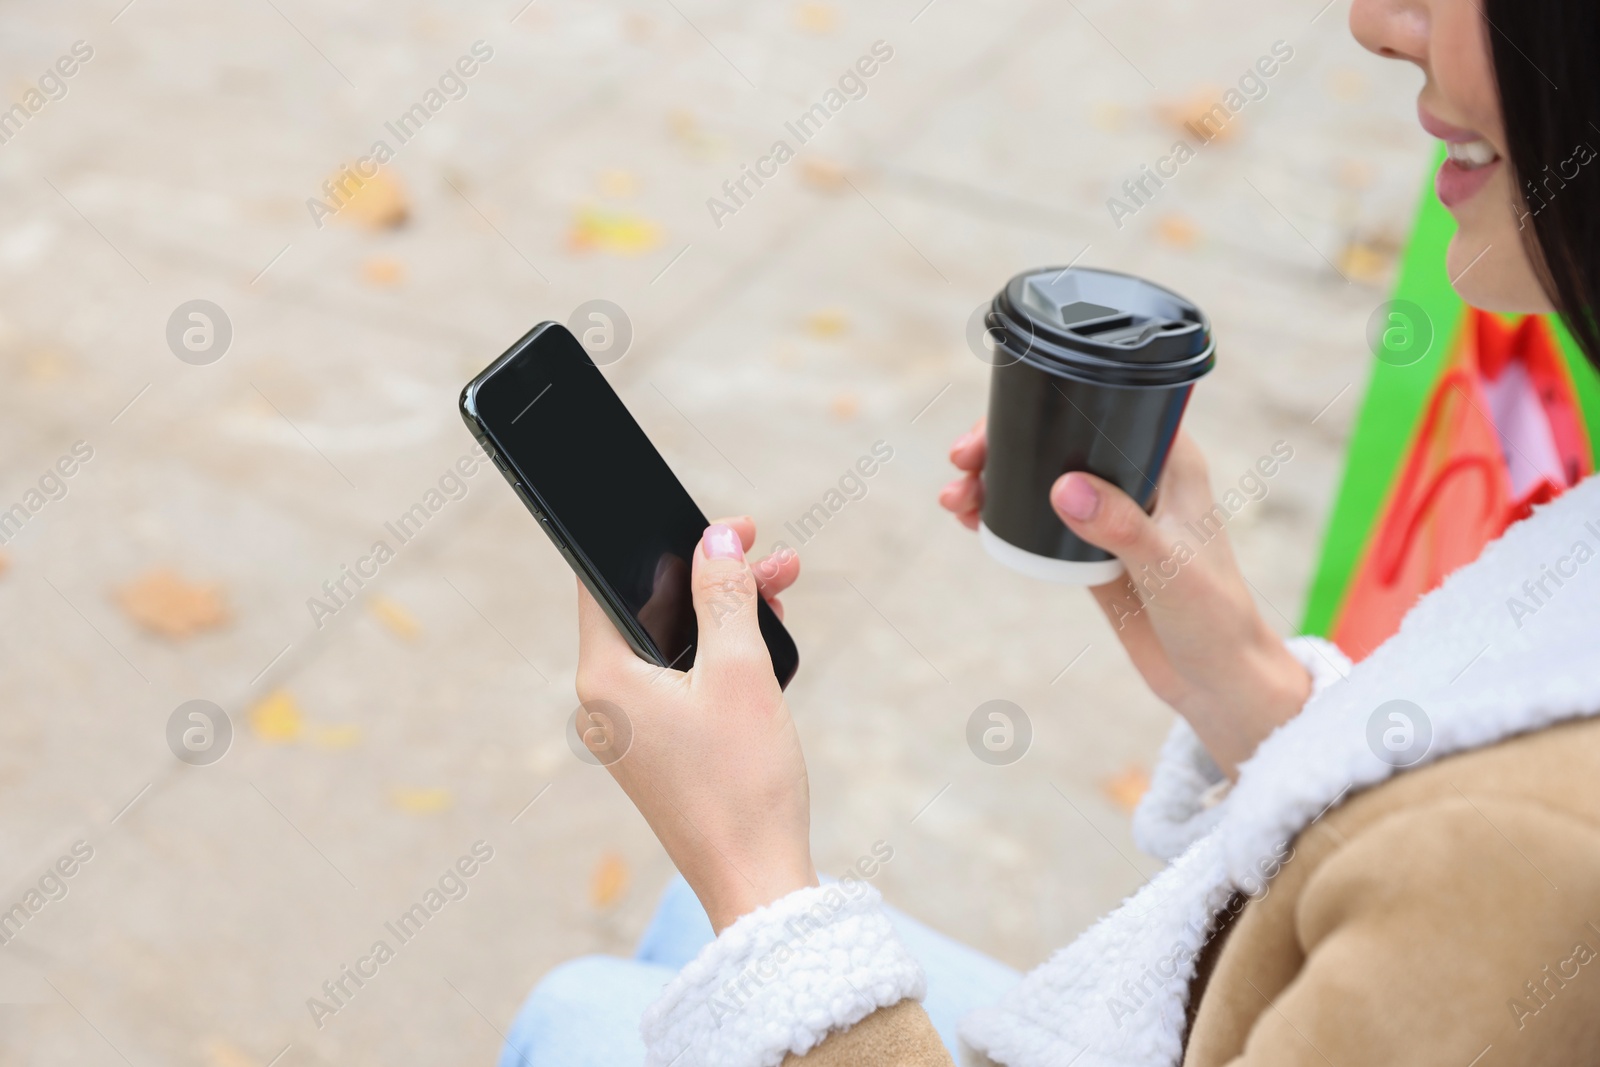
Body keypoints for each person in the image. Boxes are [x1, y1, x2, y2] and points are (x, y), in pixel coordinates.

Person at [503, 0, 1600, 1062]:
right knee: (671, 935)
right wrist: (1256, 696)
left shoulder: (1532, 873)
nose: (1375, 19)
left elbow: (1482, 859)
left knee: (583, 1006)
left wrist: (754, 873)